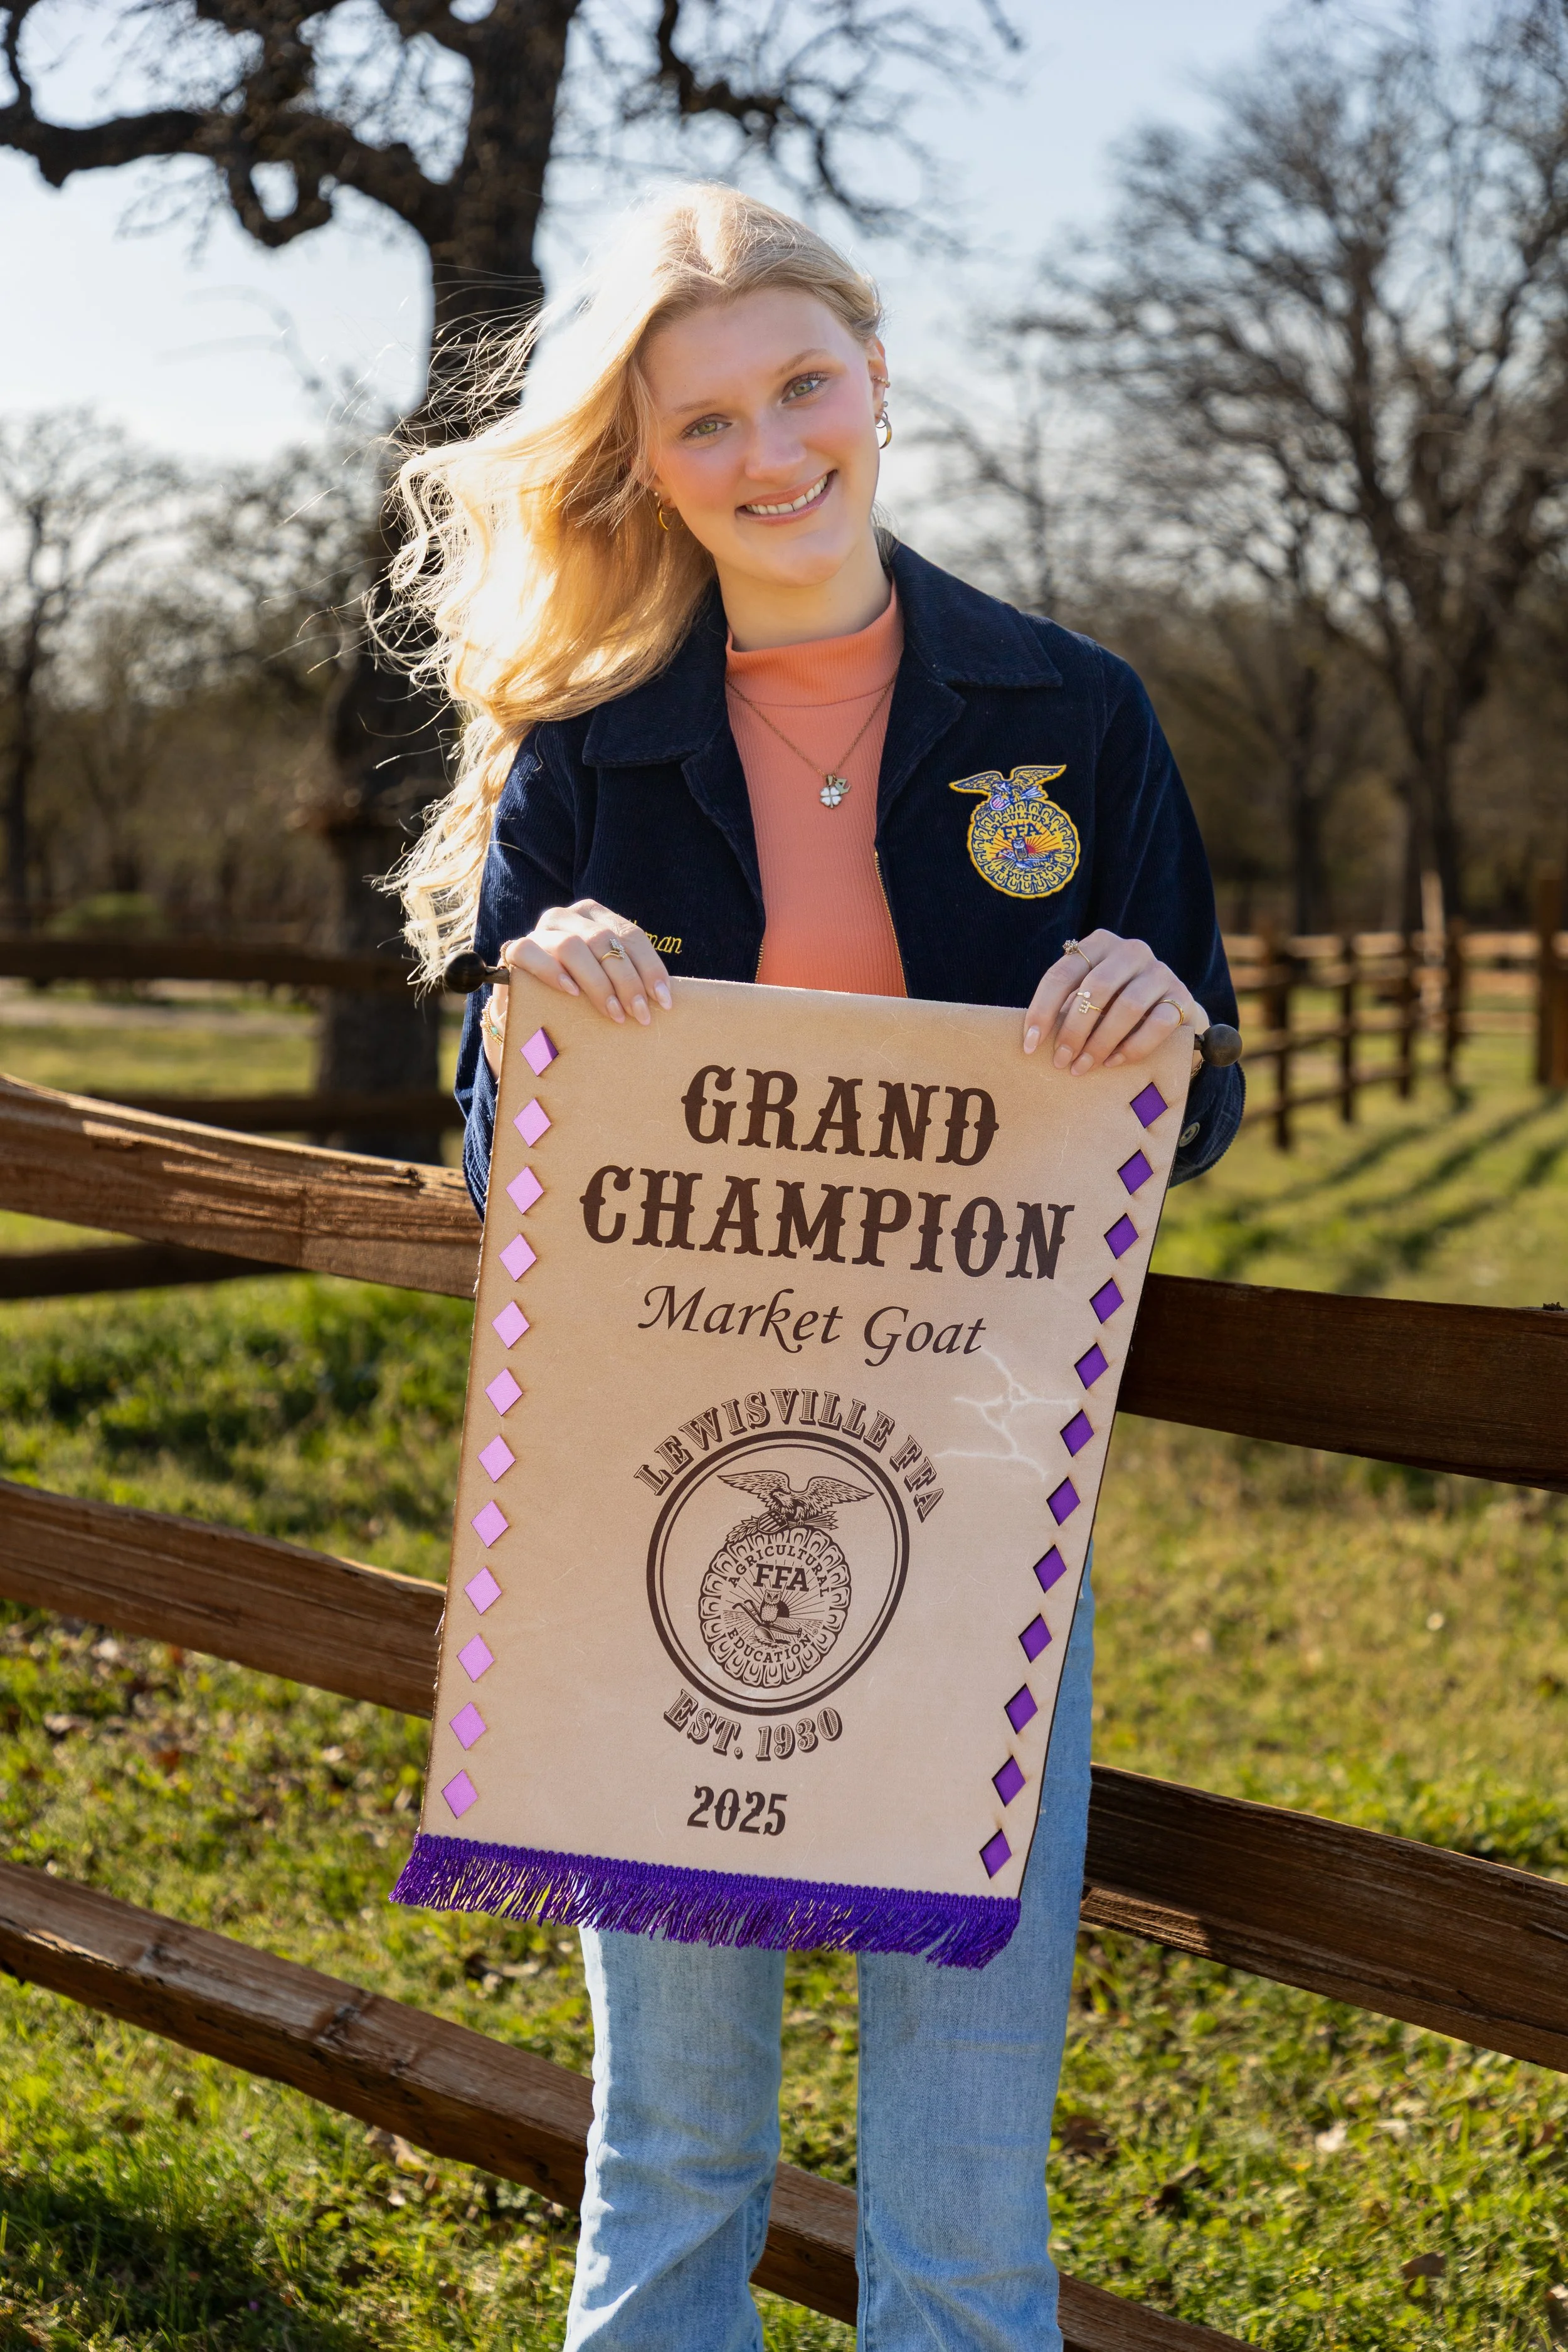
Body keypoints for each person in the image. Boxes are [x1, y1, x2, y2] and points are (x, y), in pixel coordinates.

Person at [386, 182, 1242, 2352]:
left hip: (970, 1533)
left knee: (958, 2199)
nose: (770, 455)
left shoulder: (1075, 713)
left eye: (802, 388)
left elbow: (1189, 1109)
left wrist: (1156, 1026)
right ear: (642, 466)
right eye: (704, 425)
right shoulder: (590, 748)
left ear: (874, 379)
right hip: (651, 1522)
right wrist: (530, 1011)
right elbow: (522, 1176)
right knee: (674, 2153)